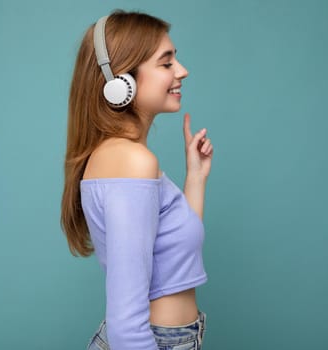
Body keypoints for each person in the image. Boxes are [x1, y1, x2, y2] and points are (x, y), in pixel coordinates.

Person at [60, 10, 213, 350]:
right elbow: (126, 325)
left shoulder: (122, 158)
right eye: (166, 63)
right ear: (121, 82)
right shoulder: (131, 161)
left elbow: (175, 259)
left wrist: (196, 178)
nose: (182, 71)